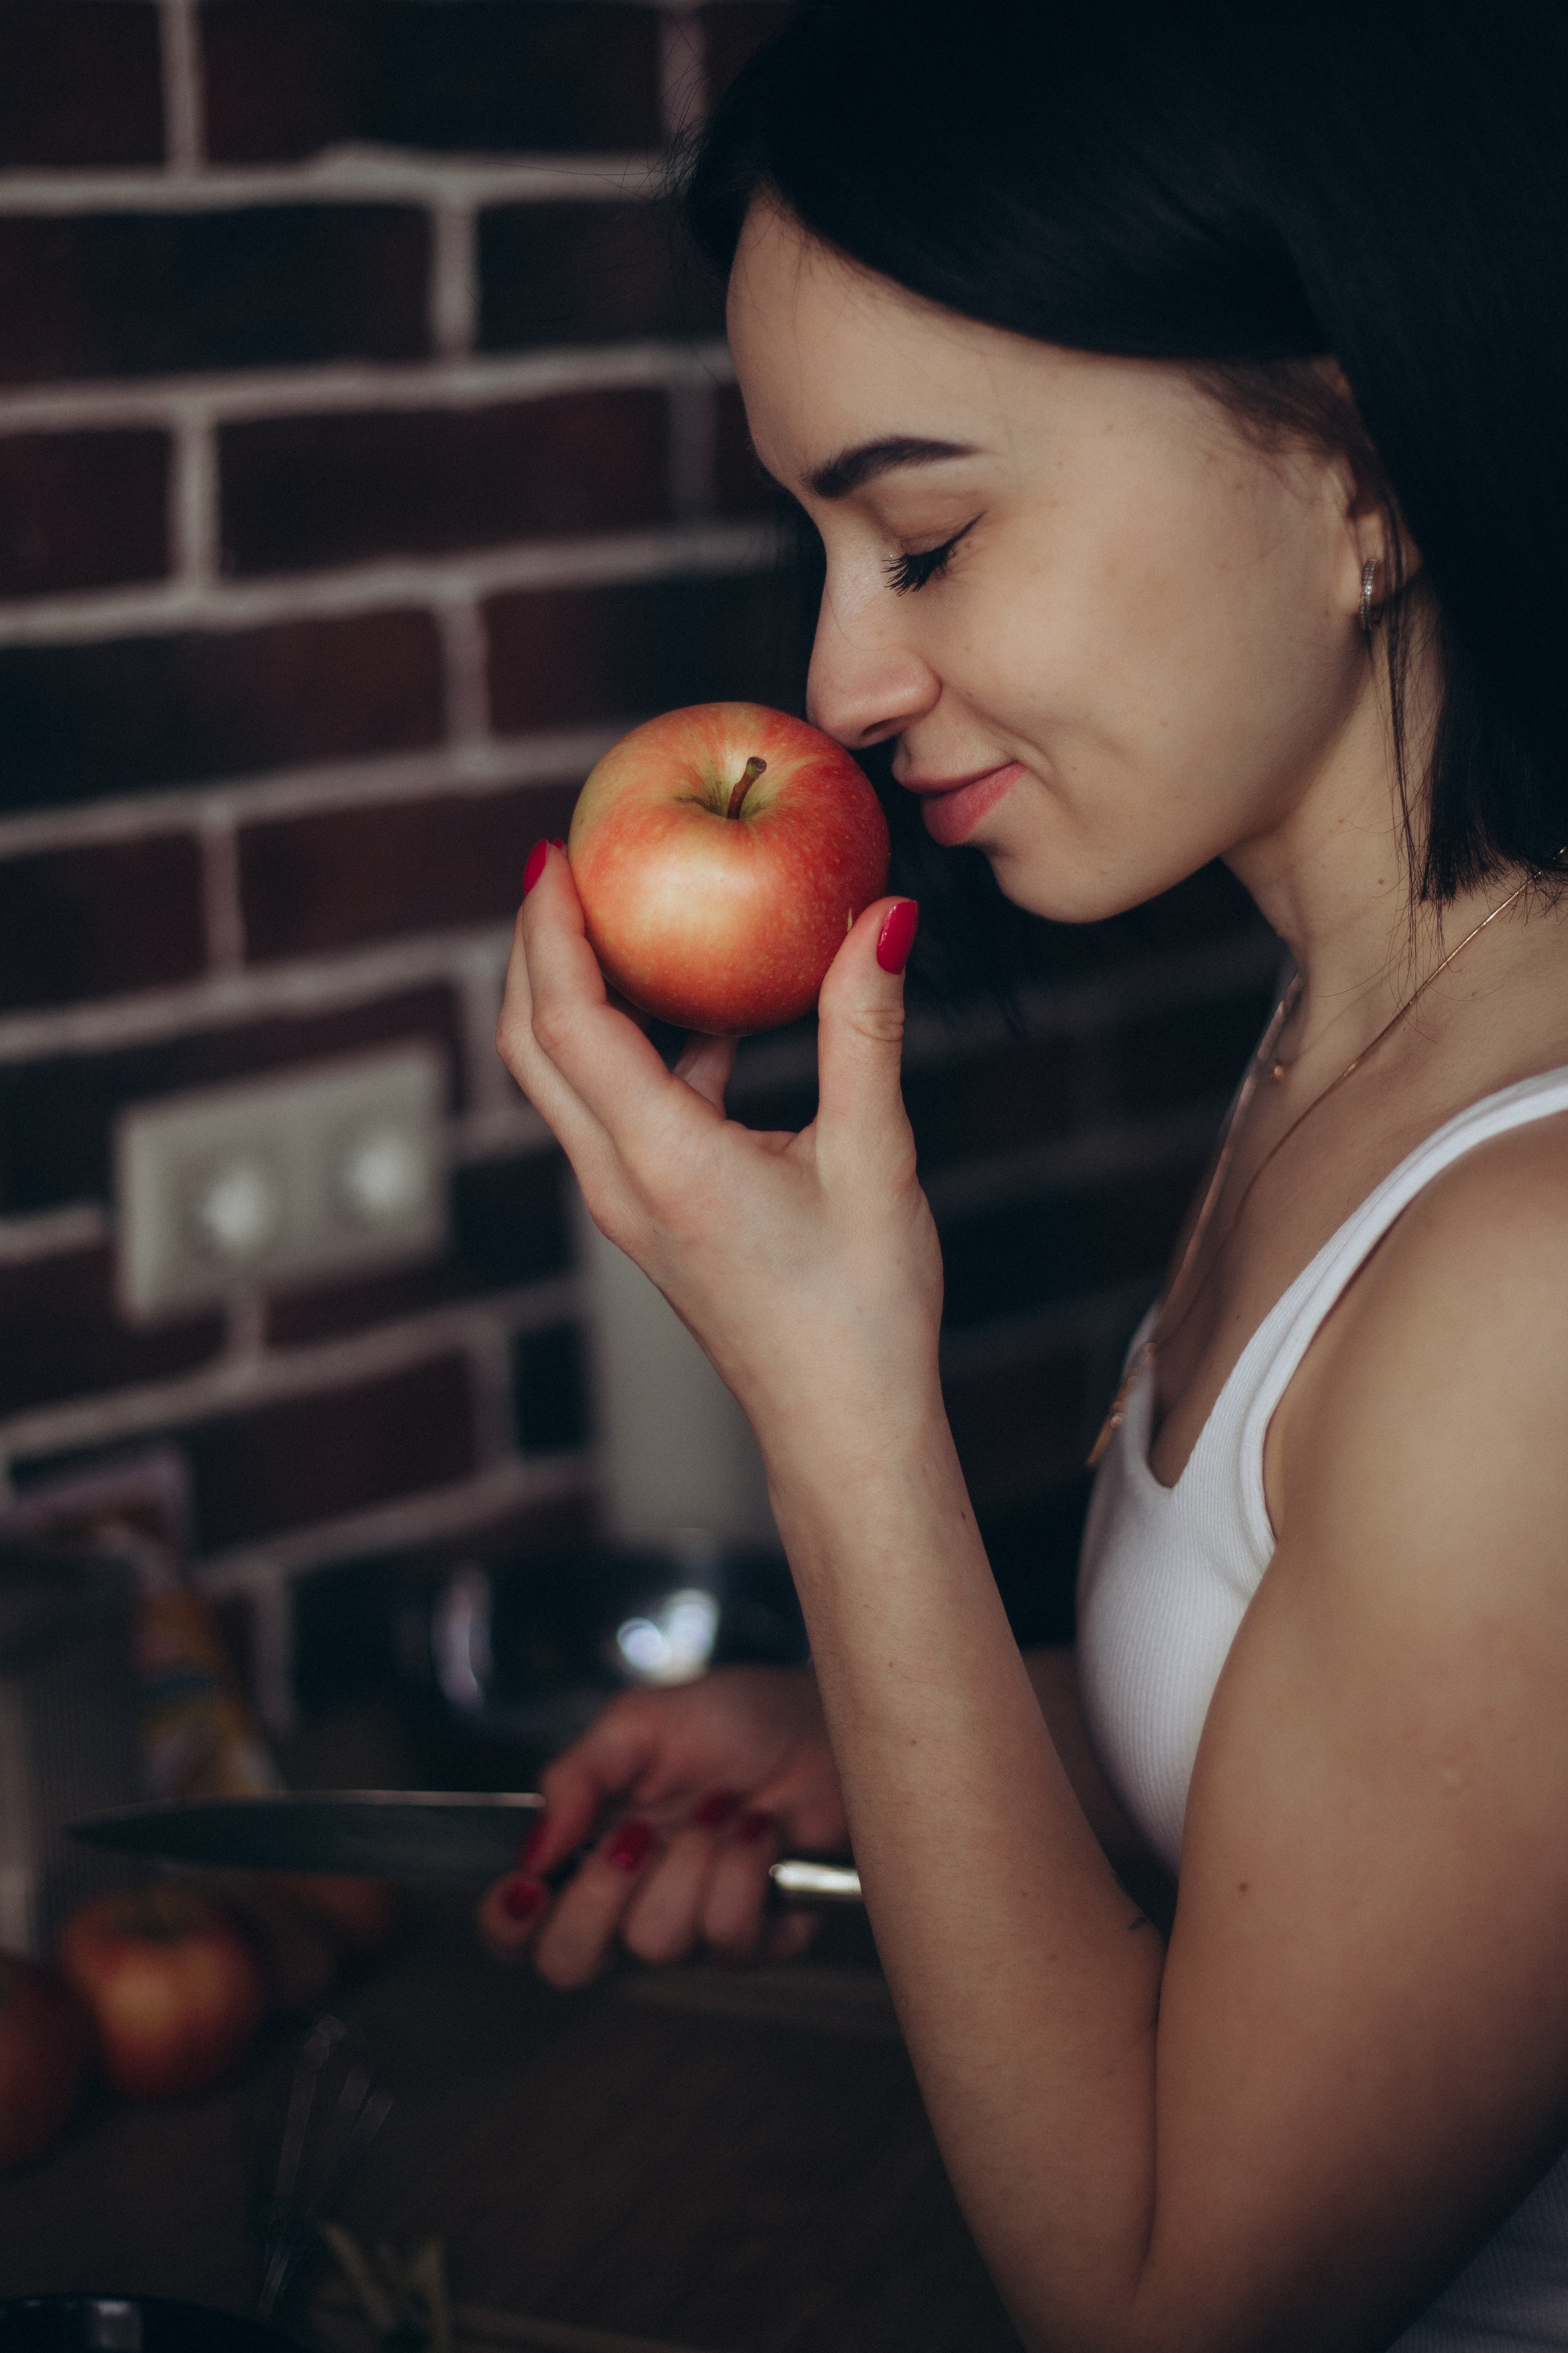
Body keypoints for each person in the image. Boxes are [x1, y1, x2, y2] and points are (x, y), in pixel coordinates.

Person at [478, 3, 1568, 2344]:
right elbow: (1358, 1740)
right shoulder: (1353, 1022)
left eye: (929, 533)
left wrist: (842, 1423)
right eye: (821, 542)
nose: (840, 674)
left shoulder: (1534, 1274)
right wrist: (875, 1727)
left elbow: (1170, 2306)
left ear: (1356, 470)